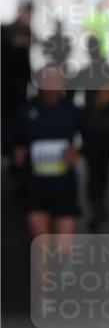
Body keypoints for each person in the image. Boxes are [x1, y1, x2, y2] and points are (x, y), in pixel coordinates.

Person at [7, 63, 88, 240]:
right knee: (42, 248)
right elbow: (7, 139)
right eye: (46, 80)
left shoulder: (72, 111)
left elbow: (90, 139)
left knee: (64, 249)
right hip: (35, 187)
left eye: (56, 81)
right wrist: (15, 150)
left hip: (64, 187)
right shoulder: (25, 110)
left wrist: (77, 150)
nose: (51, 86)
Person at [76, 36, 109, 230]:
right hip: (105, 129)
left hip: (93, 129)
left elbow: (69, 93)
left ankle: (97, 202)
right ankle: (98, 202)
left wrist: (84, 111)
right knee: (102, 170)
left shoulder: (86, 71)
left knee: (95, 170)